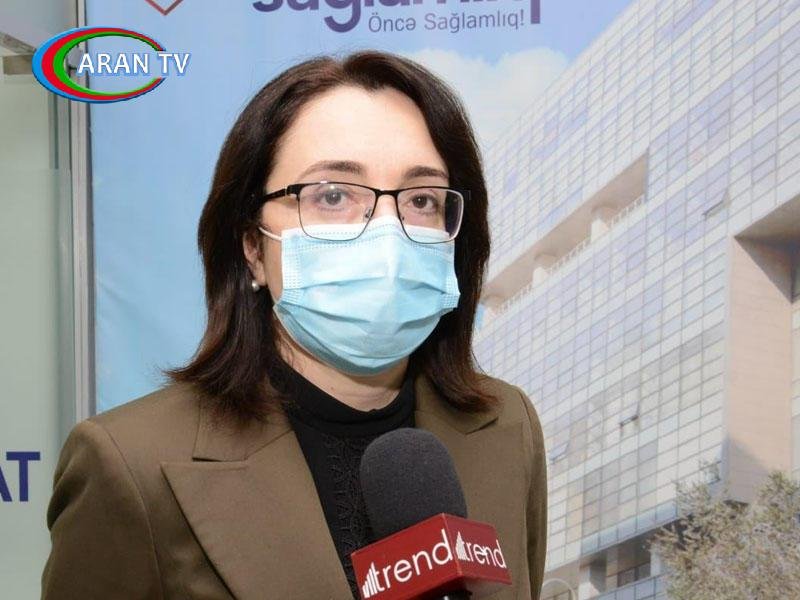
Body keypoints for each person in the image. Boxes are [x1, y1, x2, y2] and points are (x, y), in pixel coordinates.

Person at [41, 49, 547, 600]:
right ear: (252, 246)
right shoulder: (128, 463)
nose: (387, 233)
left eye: (421, 199)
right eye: (333, 195)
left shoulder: (507, 427)